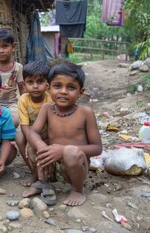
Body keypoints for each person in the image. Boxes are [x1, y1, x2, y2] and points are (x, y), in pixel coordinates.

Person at [26, 62, 102, 206]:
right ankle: (43, 182)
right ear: (48, 88)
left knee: (71, 152)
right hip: (51, 165)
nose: (63, 91)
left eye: (71, 87)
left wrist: (62, 150)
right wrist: (41, 145)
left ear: (81, 92)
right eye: (57, 86)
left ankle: (77, 190)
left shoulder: (86, 113)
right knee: (33, 146)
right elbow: (33, 132)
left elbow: (97, 148)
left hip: (73, 168)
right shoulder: (47, 109)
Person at [16, 61, 53, 197]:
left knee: (38, 148)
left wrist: (37, 142)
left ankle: (46, 177)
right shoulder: (23, 100)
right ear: (24, 85)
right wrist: (31, 141)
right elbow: (24, 125)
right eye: (30, 82)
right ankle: (34, 173)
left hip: (49, 135)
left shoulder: (50, 99)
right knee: (19, 137)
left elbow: (54, 126)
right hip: (31, 134)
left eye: (40, 81)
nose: (35, 86)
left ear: (47, 84)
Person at [0, 28, 25, 128]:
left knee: (14, 121)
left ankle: (6, 137)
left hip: (11, 103)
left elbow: (22, 89)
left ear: (13, 46)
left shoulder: (18, 67)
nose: (1, 51)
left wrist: (26, 104)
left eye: (5, 46)